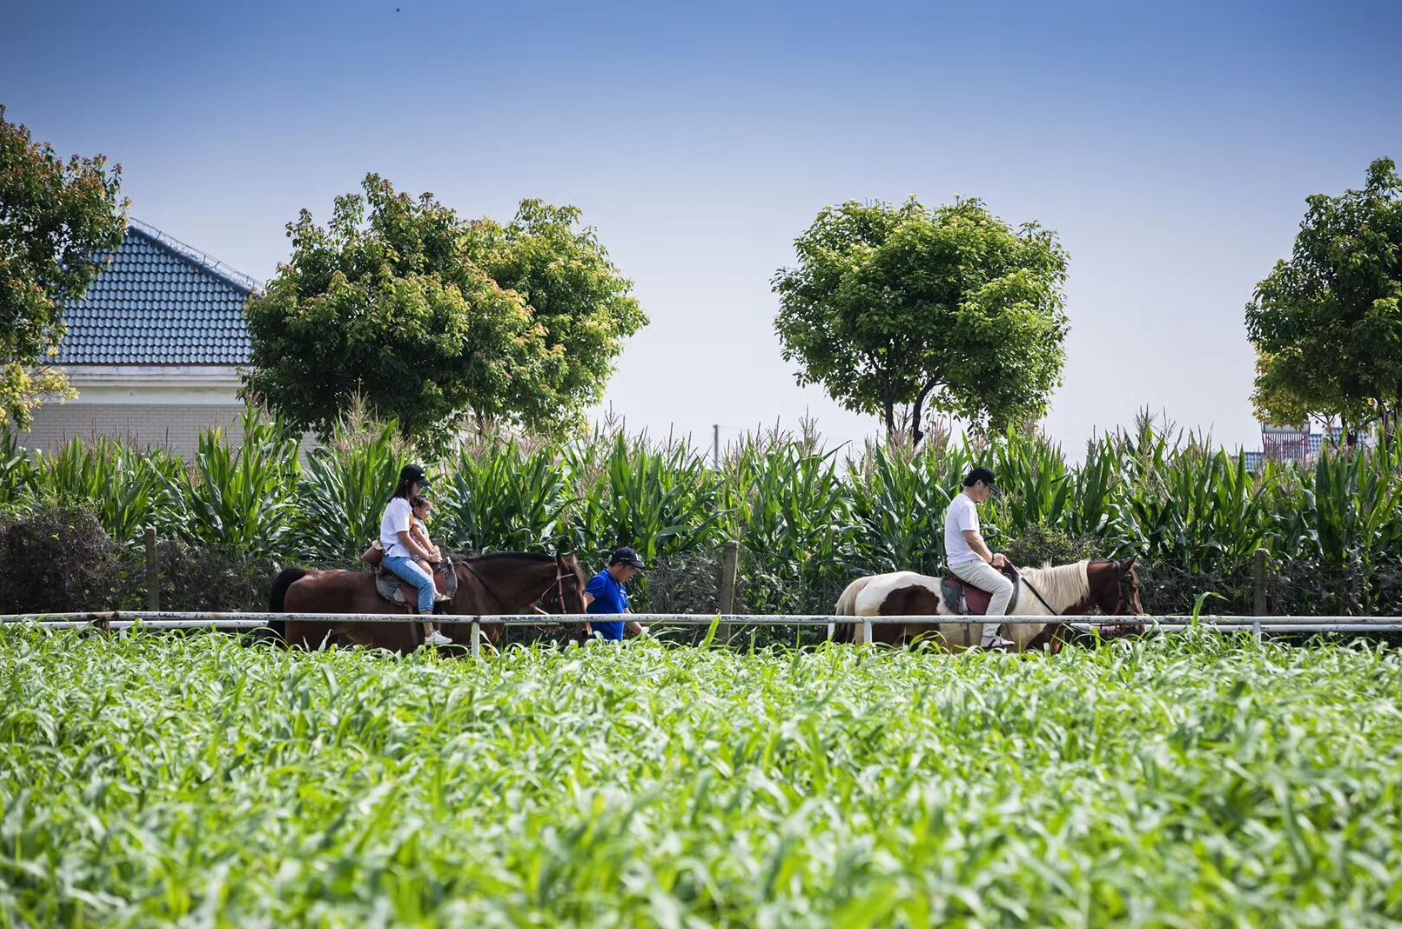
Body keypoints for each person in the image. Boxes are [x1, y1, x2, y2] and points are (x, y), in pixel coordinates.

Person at [944, 467, 1016, 649]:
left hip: (964, 559)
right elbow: (972, 539)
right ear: (979, 484)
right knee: (1005, 587)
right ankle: (989, 637)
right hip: (965, 562)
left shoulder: (961, 502)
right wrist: (991, 559)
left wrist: (993, 556)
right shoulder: (966, 505)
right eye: (989, 489)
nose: (989, 495)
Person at [379, 464, 449, 646]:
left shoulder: (401, 504)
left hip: (402, 555)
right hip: (396, 557)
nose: (420, 489)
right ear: (408, 482)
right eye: (418, 485)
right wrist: (427, 556)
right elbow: (404, 538)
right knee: (426, 583)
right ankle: (429, 634)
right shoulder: (401, 505)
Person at [409, 496, 452, 647]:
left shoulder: (421, 523)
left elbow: (427, 540)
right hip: (416, 555)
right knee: (427, 570)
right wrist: (431, 553)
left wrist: (435, 549)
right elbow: (421, 539)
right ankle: (433, 592)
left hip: (424, 553)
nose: (429, 514)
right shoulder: (414, 523)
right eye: (427, 510)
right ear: (417, 510)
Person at [582, 547, 648, 642]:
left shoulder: (621, 587)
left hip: (615, 647)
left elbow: (627, 615)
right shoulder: (601, 580)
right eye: (631, 569)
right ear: (620, 565)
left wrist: (645, 635)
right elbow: (582, 604)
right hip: (598, 646)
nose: (633, 574)